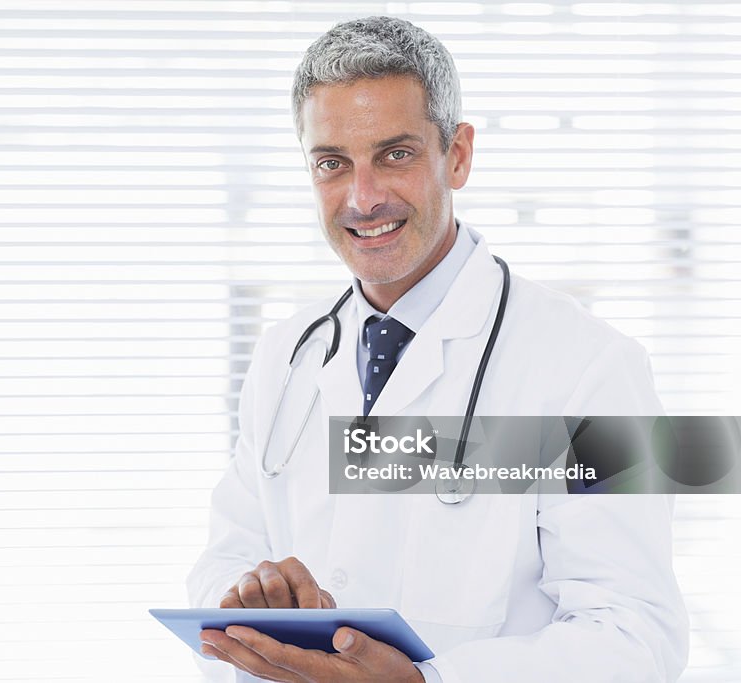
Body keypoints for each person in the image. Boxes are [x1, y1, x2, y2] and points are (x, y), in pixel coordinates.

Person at [186, 16, 689, 683]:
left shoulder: (592, 369)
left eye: (395, 154)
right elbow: (223, 561)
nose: (363, 198)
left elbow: (637, 637)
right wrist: (255, 602)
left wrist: (431, 681)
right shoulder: (286, 356)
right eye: (333, 163)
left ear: (457, 154)